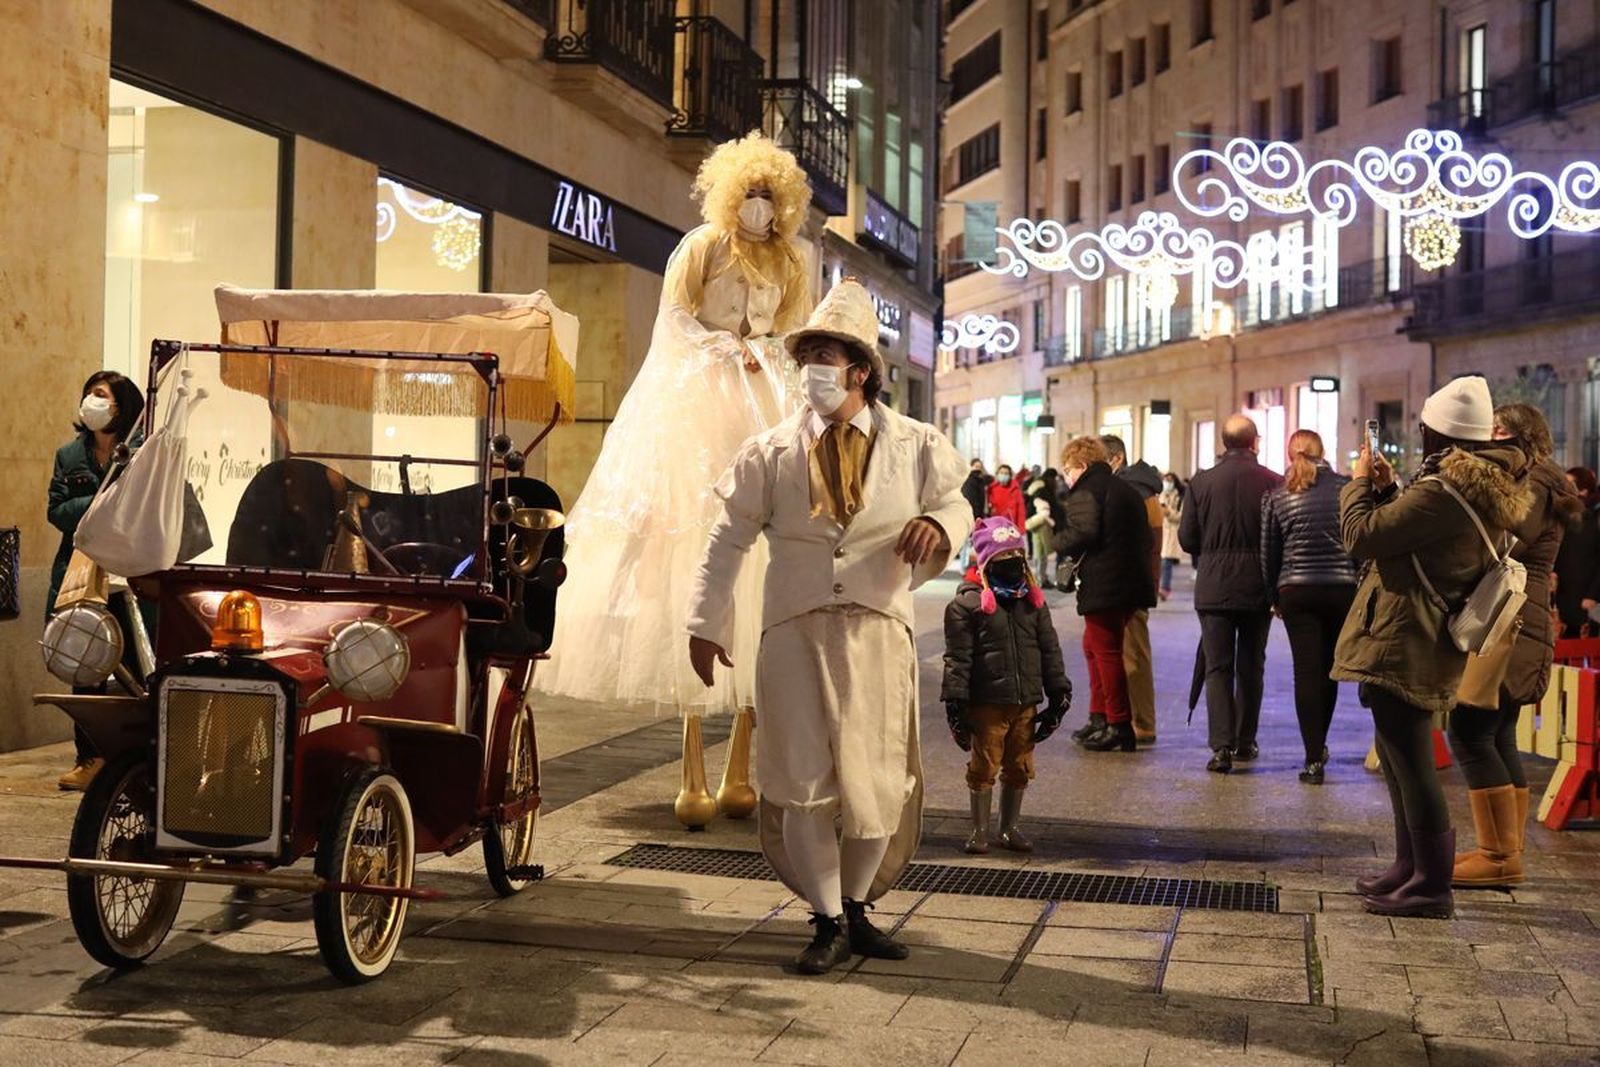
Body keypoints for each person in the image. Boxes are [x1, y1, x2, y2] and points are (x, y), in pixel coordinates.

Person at [686, 280, 972, 975]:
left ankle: (855, 907)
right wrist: (706, 620)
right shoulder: (769, 452)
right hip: (792, 632)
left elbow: (956, 506)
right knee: (801, 778)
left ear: (861, 370)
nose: (812, 366)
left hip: (878, 631)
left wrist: (939, 525)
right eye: (806, 352)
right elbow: (727, 539)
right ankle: (825, 917)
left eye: (825, 353)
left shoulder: (916, 444)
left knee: (876, 779)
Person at [538, 134, 813, 827]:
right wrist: (726, 348)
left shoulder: (790, 259)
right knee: (692, 542)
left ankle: (742, 762)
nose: (759, 208)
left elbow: (790, 329)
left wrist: (766, 356)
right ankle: (693, 765)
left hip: (765, 397)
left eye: (770, 197)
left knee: (767, 559)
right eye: (750, 195)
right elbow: (675, 321)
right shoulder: (702, 246)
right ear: (730, 195)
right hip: (701, 402)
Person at [1334, 376, 1531, 920]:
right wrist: (1393, 487)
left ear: (1439, 436)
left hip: (1408, 636)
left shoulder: (1446, 491)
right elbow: (1416, 535)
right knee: (1398, 759)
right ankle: (1410, 868)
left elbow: (1363, 535)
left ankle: (1429, 885)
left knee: (1413, 761)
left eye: (1423, 428)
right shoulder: (1463, 488)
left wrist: (1356, 485)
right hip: (1412, 630)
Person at [1448, 404, 1577, 887]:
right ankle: (1503, 851)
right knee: (1497, 732)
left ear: (1522, 437)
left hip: (1511, 620)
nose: (1490, 439)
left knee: (1470, 729)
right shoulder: (1543, 479)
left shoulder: (1536, 484)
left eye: (1499, 431)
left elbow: (1501, 542)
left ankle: (1499, 856)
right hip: (1520, 617)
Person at [942, 517, 1071, 855]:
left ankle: (1009, 827)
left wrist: (1059, 692)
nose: (1014, 565)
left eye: (1018, 557)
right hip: (987, 702)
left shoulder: (1033, 603)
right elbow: (958, 657)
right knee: (984, 765)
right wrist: (955, 703)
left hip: (1025, 701)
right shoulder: (966, 605)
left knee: (1020, 766)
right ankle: (979, 830)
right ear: (985, 562)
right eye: (1004, 559)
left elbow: (1049, 649)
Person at [47, 370, 146, 791]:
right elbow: (57, 511)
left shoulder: (142, 454)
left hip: (133, 576)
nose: (92, 401)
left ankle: (144, 758)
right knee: (85, 665)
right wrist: (102, 499)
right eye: (88, 393)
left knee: (142, 669)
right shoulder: (69, 456)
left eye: (101, 395)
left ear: (121, 407)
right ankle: (89, 758)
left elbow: (144, 507)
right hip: (83, 574)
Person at [1179, 416, 1283, 773]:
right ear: (1255, 442)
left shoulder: (1201, 482)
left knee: (1218, 667)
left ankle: (1220, 747)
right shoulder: (1273, 482)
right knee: (1252, 666)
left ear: (1223, 443)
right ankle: (1245, 740)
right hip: (1258, 585)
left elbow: (1187, 538)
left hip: (1214, 587)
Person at [1260, 430, 1357, 785]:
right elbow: (1359, 539)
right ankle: (1321, 743)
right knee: (1328, 669)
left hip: (1295, 590)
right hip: (1341, 589)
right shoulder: (1347, 488)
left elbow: (1268, 551)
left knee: (1306, 671)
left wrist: (1274, 595)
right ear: (1323, 452)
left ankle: (1313, 756)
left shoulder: (1276, 495)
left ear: (1289, 454)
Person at [1053, 436, 1157, 752]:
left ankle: (1118, 724)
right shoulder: (1124, 489)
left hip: (1106, 583)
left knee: (1106, 652)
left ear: (1081, 465)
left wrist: (1056, 541)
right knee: (1093, 647)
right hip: (1129, 582)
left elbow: (1083, 532)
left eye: (1068, 469)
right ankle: (1099, 718)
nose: (1067, 476)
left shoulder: (1087, 490)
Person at [1102, 435, 1163, 745]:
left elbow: (1153, 545)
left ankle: (1143, 721)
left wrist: (1149, 586)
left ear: (1117, 459)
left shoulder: (1137, 492)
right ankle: (1123, 717)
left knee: (1134, 654)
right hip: (1124, 582)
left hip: (1131, 584)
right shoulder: (1132, 489)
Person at [1553, 467, 1600, 637]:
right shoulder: (1564, 515)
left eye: (1569, 483)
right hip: (1565, 596)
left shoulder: (1594, 518)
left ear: (1583, 490)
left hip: (1586, 598)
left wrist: (1593, 596)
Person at [1024, 468, 1062, 580]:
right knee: (1040, 554)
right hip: (1040, 524)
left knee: (1041, 553)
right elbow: (1043, 509)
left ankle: (1041, 577)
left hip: (1039, 523)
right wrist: (1052, 521)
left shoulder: (1041, 487)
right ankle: (1040, 578)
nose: (1055, 481)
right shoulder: (1042, 490)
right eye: (1054, 478)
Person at [1159, 474, 1185, 600]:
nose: (1167, 483)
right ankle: (1160, 587)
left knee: (1166, 562)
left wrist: (1168, 512)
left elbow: (1181, 516)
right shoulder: (1160, 494)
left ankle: (1165, 588)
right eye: (1165, 480)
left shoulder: (1180, 497)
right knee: (1161, 562)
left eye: (1169, 480)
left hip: (1172, 532)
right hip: (1161, 531)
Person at [987, 463, 1026, 531]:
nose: (1003, 475)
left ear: (1010, 475)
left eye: (1006, 473)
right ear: (997, 474)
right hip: (995, 526)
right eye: (1001, 473)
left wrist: (1021, 528)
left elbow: (1021, 510)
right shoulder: (991, 489)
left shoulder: (1015, 490)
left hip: (1011, 526)